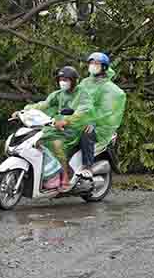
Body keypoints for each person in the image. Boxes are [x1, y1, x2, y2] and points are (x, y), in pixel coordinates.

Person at [54, 51, 127, 186]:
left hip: (101, 126)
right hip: (82, 120)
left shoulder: (111, 89)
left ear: (104, 67)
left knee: (86, 131)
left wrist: (93, 122)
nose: (93, 66)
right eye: (91, 63)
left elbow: (108, 113)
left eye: (96, 64)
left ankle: (87, 167)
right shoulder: (85, 82)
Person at [12, 67, 83, 190]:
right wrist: (24, 111)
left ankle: (65, 176)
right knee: (36, 141)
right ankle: (48, 174)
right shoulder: (58, 95)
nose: (62, 82)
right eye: (60, 79)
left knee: (56, 144)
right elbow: (43, 104)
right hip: (56, 127)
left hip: (74, 129)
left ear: (74, 81)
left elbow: (83, 112)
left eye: (65, 79)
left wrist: (67, 120)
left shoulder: (81, 95)